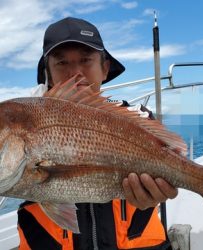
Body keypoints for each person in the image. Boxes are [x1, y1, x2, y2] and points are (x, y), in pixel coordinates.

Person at [17, 17, 177, 250]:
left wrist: (158, 192)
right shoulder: (26, 121)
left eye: (85, 60)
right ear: (48, 75)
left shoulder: (138, 118)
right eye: (61, 63)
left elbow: (173, 164)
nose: (75, 73)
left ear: (105, 68)